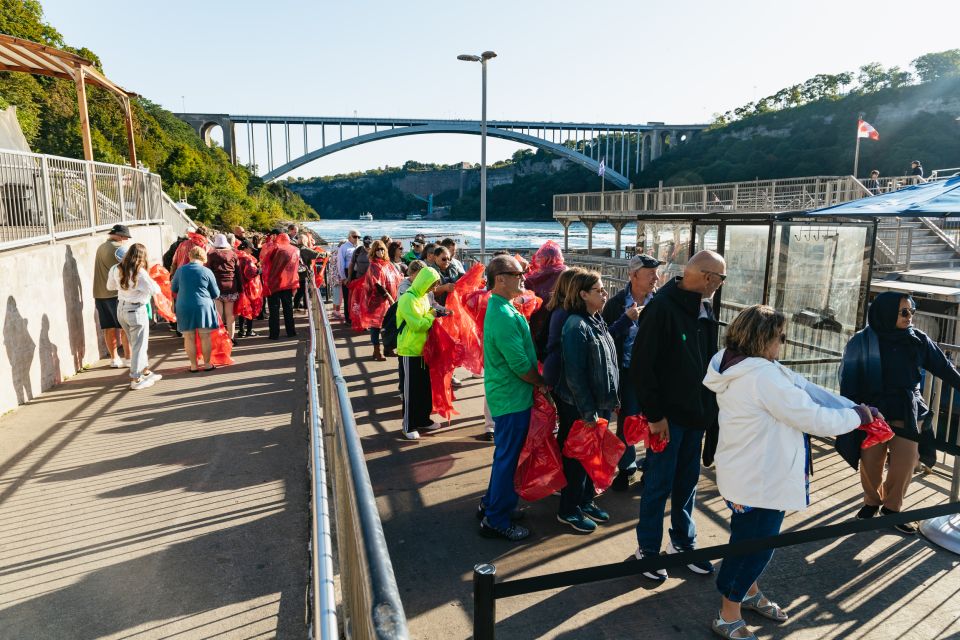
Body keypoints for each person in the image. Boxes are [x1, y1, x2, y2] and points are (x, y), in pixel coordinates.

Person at [703, 305, 873, 640]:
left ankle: (748, 593)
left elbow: (807, 389)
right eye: (782, 337)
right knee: (753, 548)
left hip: (746, 473)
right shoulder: (762, 376)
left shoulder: (739, 364)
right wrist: (859, 417)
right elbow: (812, 418)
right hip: (760, 480)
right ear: (765, 338)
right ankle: (728, 614)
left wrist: (851, 407)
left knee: (746, 540)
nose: (784, 343)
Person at [629, 250, 726, 580]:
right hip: (667, 419)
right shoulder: (662, 308)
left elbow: (710, 362)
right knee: (658, 484)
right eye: (720, 278)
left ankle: (683, 543)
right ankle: (649, 550)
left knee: (687, 484)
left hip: (695, 416)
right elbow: (642, 366)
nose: (720, 284)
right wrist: (655, 415)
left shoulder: (705, 308)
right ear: (706, 276)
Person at [840, 292, 960, 533]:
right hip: (872, 411)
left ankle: (892, 510)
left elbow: (944, 368)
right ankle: (871, 501)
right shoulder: (861, 341)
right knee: (871, 461)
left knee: (906, 461)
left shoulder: (917, 340)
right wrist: (853, 412)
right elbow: (848, 379)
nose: (910, 317)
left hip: (906, 408)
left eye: (911, 311)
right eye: (903, 312)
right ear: (885, 313)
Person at [478, 255, 546, 542]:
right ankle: (496, 519)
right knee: (508, 458)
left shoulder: (502, 307)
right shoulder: (503, 314)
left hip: (508, 395)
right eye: (518, 273)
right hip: (511, 398)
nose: (524, 277)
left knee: (504, 456)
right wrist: (541, 383)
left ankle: (493, 504)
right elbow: (519, 365)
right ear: (500, 279)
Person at [552, 270, 619, 533]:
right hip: (579, 405)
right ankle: (568, 510)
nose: (604, 294)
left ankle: (585, 500)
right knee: (577, 459)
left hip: (596, 402)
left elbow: (608, 364)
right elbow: (575, 375)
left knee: (592, 455)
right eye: (599, 290)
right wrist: (588, 411)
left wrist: (612, 399)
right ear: (582, 295)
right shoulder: (575, 325)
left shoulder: (596, 319)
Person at [602, 254, 662, 491]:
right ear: (634, 275)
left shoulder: (659, 302)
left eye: (656, 274)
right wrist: (625, 320)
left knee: (655, 420)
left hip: (655, 374)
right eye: (651, 274)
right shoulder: (617, 304)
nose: (655, 279)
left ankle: (651, 467)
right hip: (627, 373)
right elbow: (605, 338)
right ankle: (626, 468)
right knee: (628, 421)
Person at [396, 265, 444, 440]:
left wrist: (439, 313)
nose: (434, 289)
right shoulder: (407, 298)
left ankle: (423, 419)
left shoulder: (423, 296)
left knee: (424, 390)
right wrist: (432, 315)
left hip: (424, 350)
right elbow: (418, 325)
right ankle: (408, 425)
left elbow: (427, 317)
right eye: (432, 285)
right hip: (409, 351)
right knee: (410, 391)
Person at [106, 243, 162, 389]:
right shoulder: (140, 272)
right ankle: (136, 379)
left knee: (137, 344)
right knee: (139, 345)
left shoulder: (115, 268)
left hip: (121, 308)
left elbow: (110, 287)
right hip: (136, 310)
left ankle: (145, 371)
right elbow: (155, 289)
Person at [171, 246, 220, 372]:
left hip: (184, 306)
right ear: (203, 257)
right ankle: (207, 364)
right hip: (203, 306)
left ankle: (193, 366)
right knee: (205, 336)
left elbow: (174, 288)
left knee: (189, 337)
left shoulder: (180, 270)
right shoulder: (207, 271)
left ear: (190, 256)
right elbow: (216, 293)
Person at [93, 224, 132, 368]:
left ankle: (114, 358)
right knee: (124, 327)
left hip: (100, 293)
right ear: (121, 236)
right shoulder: (119, 249)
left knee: (108, 327)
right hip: (116, 294)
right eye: (126, 237)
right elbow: (130, 268)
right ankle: (128, 358)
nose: (126, 240)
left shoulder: (101, 247)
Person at [362, 240, 402, 361]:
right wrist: (388, 297)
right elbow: (377, 284)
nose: (380, 251)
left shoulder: (388, 264)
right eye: (378, 249)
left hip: (389, 300)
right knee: (376, 326)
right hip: (376, 301)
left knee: (389, 324)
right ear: (374, 251)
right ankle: (376, 350)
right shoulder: (373, 265)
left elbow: (397, 278)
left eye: (382, 249)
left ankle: (388, 348)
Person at [263, 230, 300, 340]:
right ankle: (291, 331)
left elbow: (265, 262)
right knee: (288, 308)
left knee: (274, 310)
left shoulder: (275, 248)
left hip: (274, 283)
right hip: (288, 283)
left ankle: (274, 334)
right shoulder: (295, 250)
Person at [206, 233, 240, 342]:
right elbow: (238, 272)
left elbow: (208, 272)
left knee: (219, 315)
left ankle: (219, 339)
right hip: (231, 286)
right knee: (230, 315)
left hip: (217, 287)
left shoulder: (211, 255)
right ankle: (231, 338)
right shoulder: (233, 254)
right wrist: (240, 288)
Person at [524, 241, 567, 305]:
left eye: (540, 257)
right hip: (559, 306)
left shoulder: (534, 276)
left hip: (539, 308)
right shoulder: (565, 270)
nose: (537, 259)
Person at [337, 230, 360, 322]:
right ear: (349, 237)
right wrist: (343, 277)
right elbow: (340, 263)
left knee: (358, 297)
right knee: (348, 297)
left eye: (358, 237)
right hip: (347, 273)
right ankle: (348, 318)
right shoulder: (343, 247)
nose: (357, 238)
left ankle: (357, 317)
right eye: (355, 236)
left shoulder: (360, 246)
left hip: (358, 273)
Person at [294, 233, 320, 312]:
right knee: (306, 291)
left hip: (297, 273)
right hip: (305, 273)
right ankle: (306, 307)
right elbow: (317, 255)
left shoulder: (295, 248)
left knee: (300, 291)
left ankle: (296, 306)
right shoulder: (305, 249)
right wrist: (327, 254)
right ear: (305, 240)